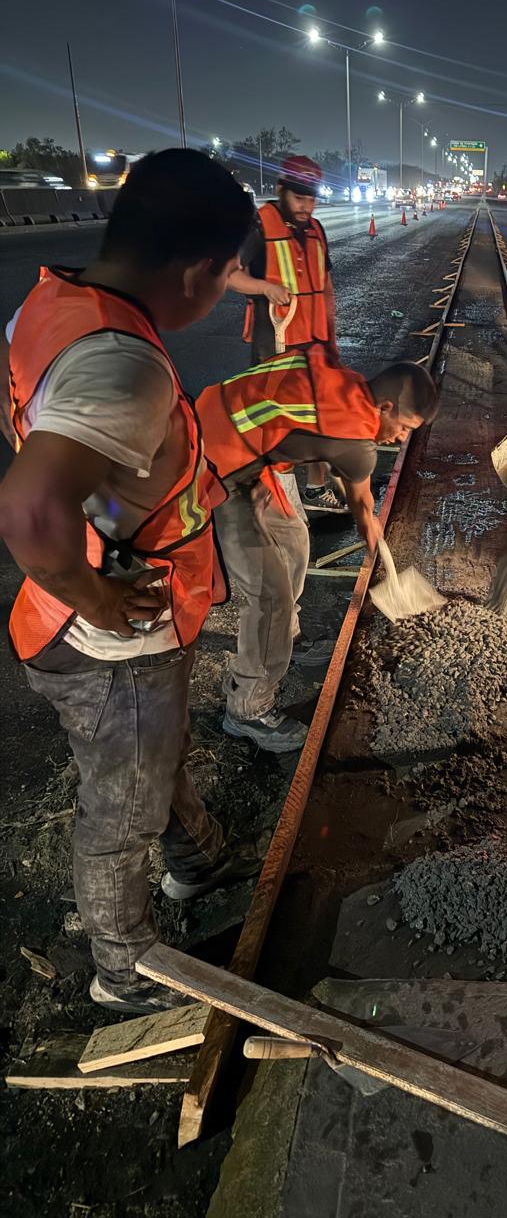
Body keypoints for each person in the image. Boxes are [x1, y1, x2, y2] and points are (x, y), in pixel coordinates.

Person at [0, 150, 258, 1015]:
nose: (223, 293)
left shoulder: (55, 303)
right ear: (195, 272)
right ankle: (126, 972)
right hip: (115, 643)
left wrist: (108, 514)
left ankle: (201, 861)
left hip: (83, 610)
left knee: (149, 762)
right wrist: (101, 596)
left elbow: (52, 448)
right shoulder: (127, 366)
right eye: (226, 278)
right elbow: (31, 507)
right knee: (122, 811)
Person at [195, 352, 438, 752]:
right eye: (403, 428)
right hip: (215, 463)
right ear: (386, 407)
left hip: (251, 451)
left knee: (294, 540)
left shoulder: (348, 387)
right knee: (268, 593)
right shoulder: (356, 442)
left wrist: (366, 515)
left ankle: (283, 640)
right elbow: (361, 508)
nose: (400, 439)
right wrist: (368, 526)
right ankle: (247, 708)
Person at [226, 154, 348, 516]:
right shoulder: (259, 229)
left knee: (318, 417)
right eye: (299, 198)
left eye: (310, 199)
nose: (305, 206)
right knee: (277, 424)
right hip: (275, 347)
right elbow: (229, 275)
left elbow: (325, 286)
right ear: (281, 191)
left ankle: (314, 488)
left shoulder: (316, 230)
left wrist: (332, 341)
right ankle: (272, 497)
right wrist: (265, 287)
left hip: (313, 344)